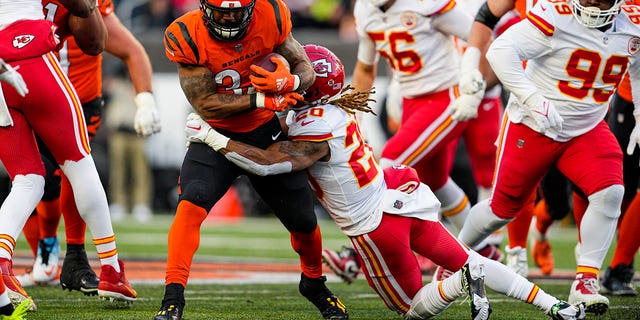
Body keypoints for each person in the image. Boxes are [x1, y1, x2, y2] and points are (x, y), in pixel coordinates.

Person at [184, 44, 586, 320]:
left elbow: (270, 164)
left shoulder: (308, 129)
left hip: (376, 228)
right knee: (473, 256)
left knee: (412, 309)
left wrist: (213, 137)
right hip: (400, 199)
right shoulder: (340, 109)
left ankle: (462, 283)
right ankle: (555, 307)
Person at [154, 1, 348, 319]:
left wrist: (290, 83)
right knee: (192, 202)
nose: (229, 17)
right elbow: (206, 104)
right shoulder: (186, 34)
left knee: (303, 220)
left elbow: (305, 68)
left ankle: (314, 282)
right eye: (220, 11)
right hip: (214, 134)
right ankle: (173, 296)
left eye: (236, 10)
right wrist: (261, 97)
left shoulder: (271, 15)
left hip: (263, 131)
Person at [457, 0, 640, 316]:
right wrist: (532, 98)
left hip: (586, 127)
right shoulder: (556, 13)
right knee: (502, 208)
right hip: (535, 123)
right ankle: (455, 255)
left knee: (610, 192)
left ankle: (586, 281)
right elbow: (500, 51)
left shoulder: (633, 23)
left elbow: (636, 69)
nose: (593, 3)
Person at [15, 0, 161, 296]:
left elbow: (116, 47)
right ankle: (48, 257)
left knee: (58, 176)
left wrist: (145, 100)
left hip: (80, 101)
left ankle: (76, 258)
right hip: (28, 95)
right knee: (35, 179)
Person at [350, 0, 501, 261]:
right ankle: (484, 251)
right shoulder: (365, 9)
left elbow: (481, 36)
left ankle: (355, 254)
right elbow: (365, 69)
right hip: (412, 101)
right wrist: (354, 119)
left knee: (390, 163)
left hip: (446, 96)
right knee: (436, 181)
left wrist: (475, 89)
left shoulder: (425, 4)